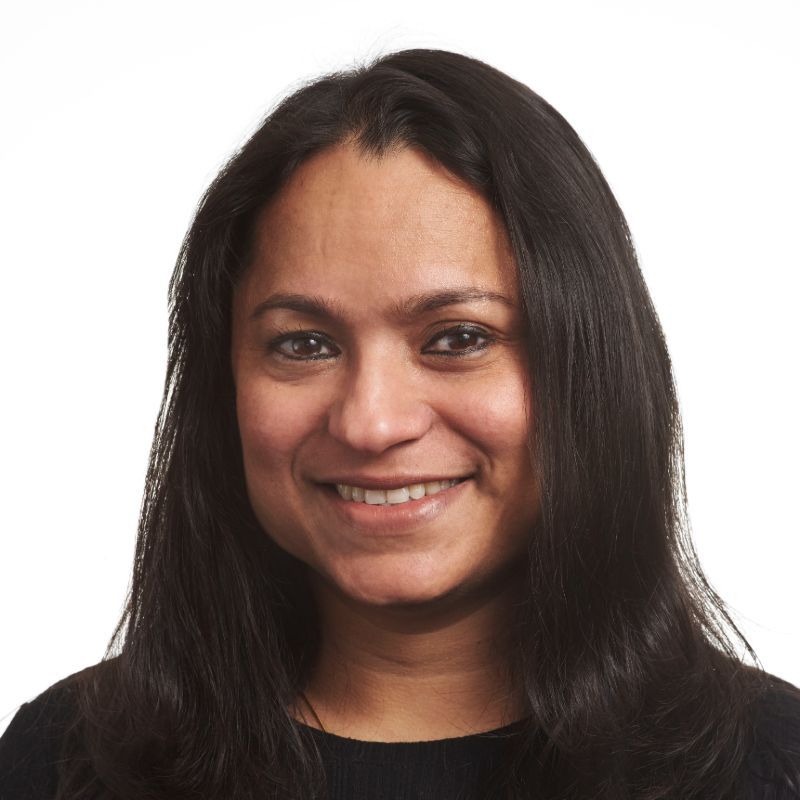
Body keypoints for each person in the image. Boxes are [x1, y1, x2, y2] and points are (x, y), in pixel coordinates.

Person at [1, 48, 798, 800]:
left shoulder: (772, 766)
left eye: (458, 338)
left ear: (588, 369)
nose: (371, 422)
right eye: (304, 344)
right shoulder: (67, 761)